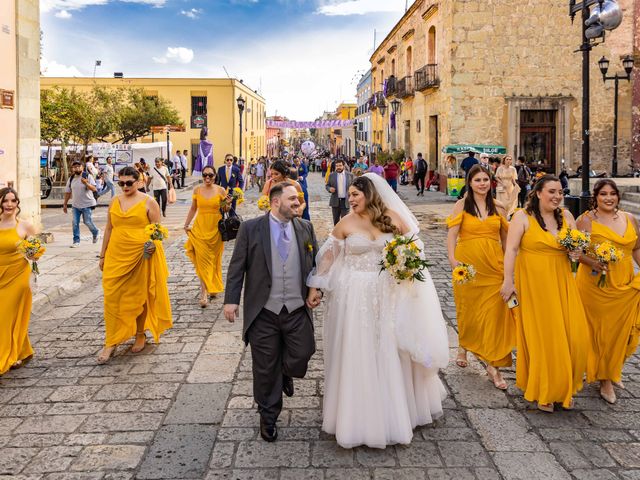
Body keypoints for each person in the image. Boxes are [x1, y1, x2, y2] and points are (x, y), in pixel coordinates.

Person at [308, 174, 449, 448]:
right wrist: (315, 286)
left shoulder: (393, 217)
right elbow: (328, 257)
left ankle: (396, 410)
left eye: (355, 195)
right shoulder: (345, 223)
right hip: (355, 296)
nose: (350, 199)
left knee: (390, 347)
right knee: (359, 348)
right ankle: (358, 415)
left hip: (389, 293)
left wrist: (406, 265)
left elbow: (414, 248)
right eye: (349, 195)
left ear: (369, 194)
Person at [223, 182, 319, 442]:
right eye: (292, 199)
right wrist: (231, 300)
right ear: (276, 202)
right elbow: (237, 267)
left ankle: (286, 372)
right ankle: (268, 416)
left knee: (303, 352)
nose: (298, 202)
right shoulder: (251, 228)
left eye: (298, 198)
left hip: (297, 309)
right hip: (264, 311)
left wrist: (316, 289)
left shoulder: (306, 228)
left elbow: (316, 264)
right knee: (264, 368)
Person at [501, 175, 592, 412]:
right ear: (538, 193)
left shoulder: (567, 217)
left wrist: (575, 253)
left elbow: (576, 248)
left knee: (576, 336)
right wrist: (508, 281)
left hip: (562, 281)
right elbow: (511, 249)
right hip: (533, 284)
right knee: (544, 337)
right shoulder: (522, 217)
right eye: (552, 191)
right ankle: (546, 390)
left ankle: (565, 386)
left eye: (560, 192)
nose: (557, 196)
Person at [447, 165, 515, 389]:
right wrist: (453, 261)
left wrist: (509, 272)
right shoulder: (461, 206)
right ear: (470, 182)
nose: (482, 183)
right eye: (478, 180)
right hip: (468, 266)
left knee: (494, 314)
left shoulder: (499, 207)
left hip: (494, 266)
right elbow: (452, 235)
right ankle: (463, 345)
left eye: (486, 179)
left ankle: (493, 366)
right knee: (469, 308)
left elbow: (507, 241)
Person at [96, 166, 173, 364]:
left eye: (129, 182)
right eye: (121, 183)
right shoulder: (114, 201)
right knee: (111, 298)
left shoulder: (149, 202)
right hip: (116, 255)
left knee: (139, 296)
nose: (124, 186)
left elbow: (157, 232)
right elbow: (108, 229)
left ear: (139, 182)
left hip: (141, 255)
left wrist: (152, 247)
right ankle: (111, 341)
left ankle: (140, 333)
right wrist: (102, 255)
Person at [576, 179, 640, 404]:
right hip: (596, 286)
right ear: (596, 196)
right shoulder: (585, 220)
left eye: (612, 194)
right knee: (601, 333)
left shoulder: (629, 218)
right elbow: (575, 253)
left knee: (621, 332)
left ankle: (613, 369)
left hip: (624, 283)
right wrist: (592, 262)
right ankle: (604, 379)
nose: (609, 198)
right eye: (603, 194)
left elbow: (637, 248)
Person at [0, 188, 37, 374]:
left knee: (4, 316)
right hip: (0, 274)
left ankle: (6, 357)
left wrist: (33, 252)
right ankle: (21, 350)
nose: (9, 204)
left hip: (18, 276)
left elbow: (35, 254)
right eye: (5, 201)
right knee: (9, 316)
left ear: (17, 203)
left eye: (13, 201)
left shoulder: (24, 226)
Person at [184, 166, 229, 308]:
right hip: (200, 228)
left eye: (210, 175)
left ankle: (213, 286)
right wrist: (186, 224)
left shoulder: (220, 190)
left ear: (215, 176)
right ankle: (204, 293)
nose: (207, 178)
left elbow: (224, 209)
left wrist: (227, 203)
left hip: (215, 229)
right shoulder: (197, 190)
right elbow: (193, 208)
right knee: (203, 261)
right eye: (204, 175)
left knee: (214, 260)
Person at [63, 160, 99, 248]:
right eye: (74, 167)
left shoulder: (87, 176)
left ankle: (95, 232)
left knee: (87, 222)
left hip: (87, 204)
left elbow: (94, 189)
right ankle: (76, 241)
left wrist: (86, 183)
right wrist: (65, 204)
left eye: (78, 166)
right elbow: (68, 192)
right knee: (75, 223)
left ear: (82, 167)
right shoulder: (71, 179)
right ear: (72, 169)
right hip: (75, 205)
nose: (77, 168)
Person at [326, 159, 353, 226]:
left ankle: (344, 235)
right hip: (335, 201)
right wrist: (329, 189)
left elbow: (354, 185)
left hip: (346, 201)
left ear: (343, 166)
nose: (338, 167)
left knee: (345, 221)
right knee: (336, 221)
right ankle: (336, 235)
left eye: (340, 165)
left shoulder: (350, 175)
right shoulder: (331, 175)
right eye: (337, 166)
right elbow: (327, 185)